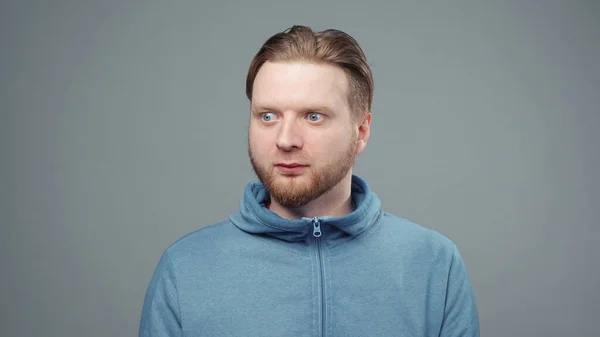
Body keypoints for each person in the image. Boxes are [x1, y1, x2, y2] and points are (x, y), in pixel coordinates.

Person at [139, 25, 480, 337]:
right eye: (268, 116)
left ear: (360, 132)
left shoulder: (434, 265)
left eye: (313, 116)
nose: (285, 139)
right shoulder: (185, 269)